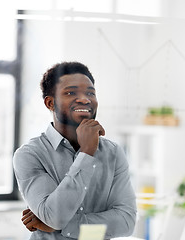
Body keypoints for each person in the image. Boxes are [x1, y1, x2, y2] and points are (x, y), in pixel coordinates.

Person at [13, 61, 137, 239]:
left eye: (90, 93)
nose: (85, 99)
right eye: (70, 92)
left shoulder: (113, 152)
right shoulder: (29, 155)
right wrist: (87, 153)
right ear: (50, 103)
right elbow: (55, 216)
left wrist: (64, 227)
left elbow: (126, 223)